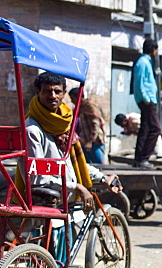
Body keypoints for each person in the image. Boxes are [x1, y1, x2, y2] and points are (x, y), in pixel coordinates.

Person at [18, 72, 121, 210]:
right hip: (48, 206)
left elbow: (71, 165)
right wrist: (76, 186)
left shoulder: (63, 124)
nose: (53, 95)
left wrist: (103, 178)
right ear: (38, 92)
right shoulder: (32, 130)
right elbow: (37, 178)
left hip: (68, 202)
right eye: (47, 91)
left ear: (64, 93)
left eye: (57, 91)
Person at [131, 38, 160, 168]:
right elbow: (140, 82)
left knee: (146, 128)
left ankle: (139, 159)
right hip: (147, 100)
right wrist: (146, 99)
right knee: (155, 129)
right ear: (153, 50)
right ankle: (144, 158)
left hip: (147, 99)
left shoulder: (145, 62)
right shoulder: (143, 62)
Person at [70, 87, 107, 164]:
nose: (71, 101)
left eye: (72, 98)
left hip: (95, 142)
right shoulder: (80, 108)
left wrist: (90, 141)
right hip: (86, 141)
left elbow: (96, 125)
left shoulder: (89, 106)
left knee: (99, 165)